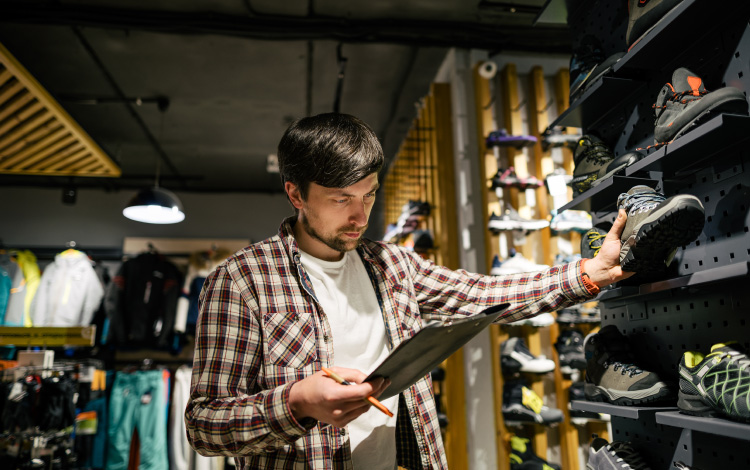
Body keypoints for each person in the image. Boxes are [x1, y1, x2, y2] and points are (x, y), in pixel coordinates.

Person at [185, 113, 632, 469]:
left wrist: (589, 271)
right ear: (295, 194)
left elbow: (483, 294)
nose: (360, 216)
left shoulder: (393, 264)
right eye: (341, 199)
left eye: (369, 195)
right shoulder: (240, 281)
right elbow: (204, 426)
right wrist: (297, 402)